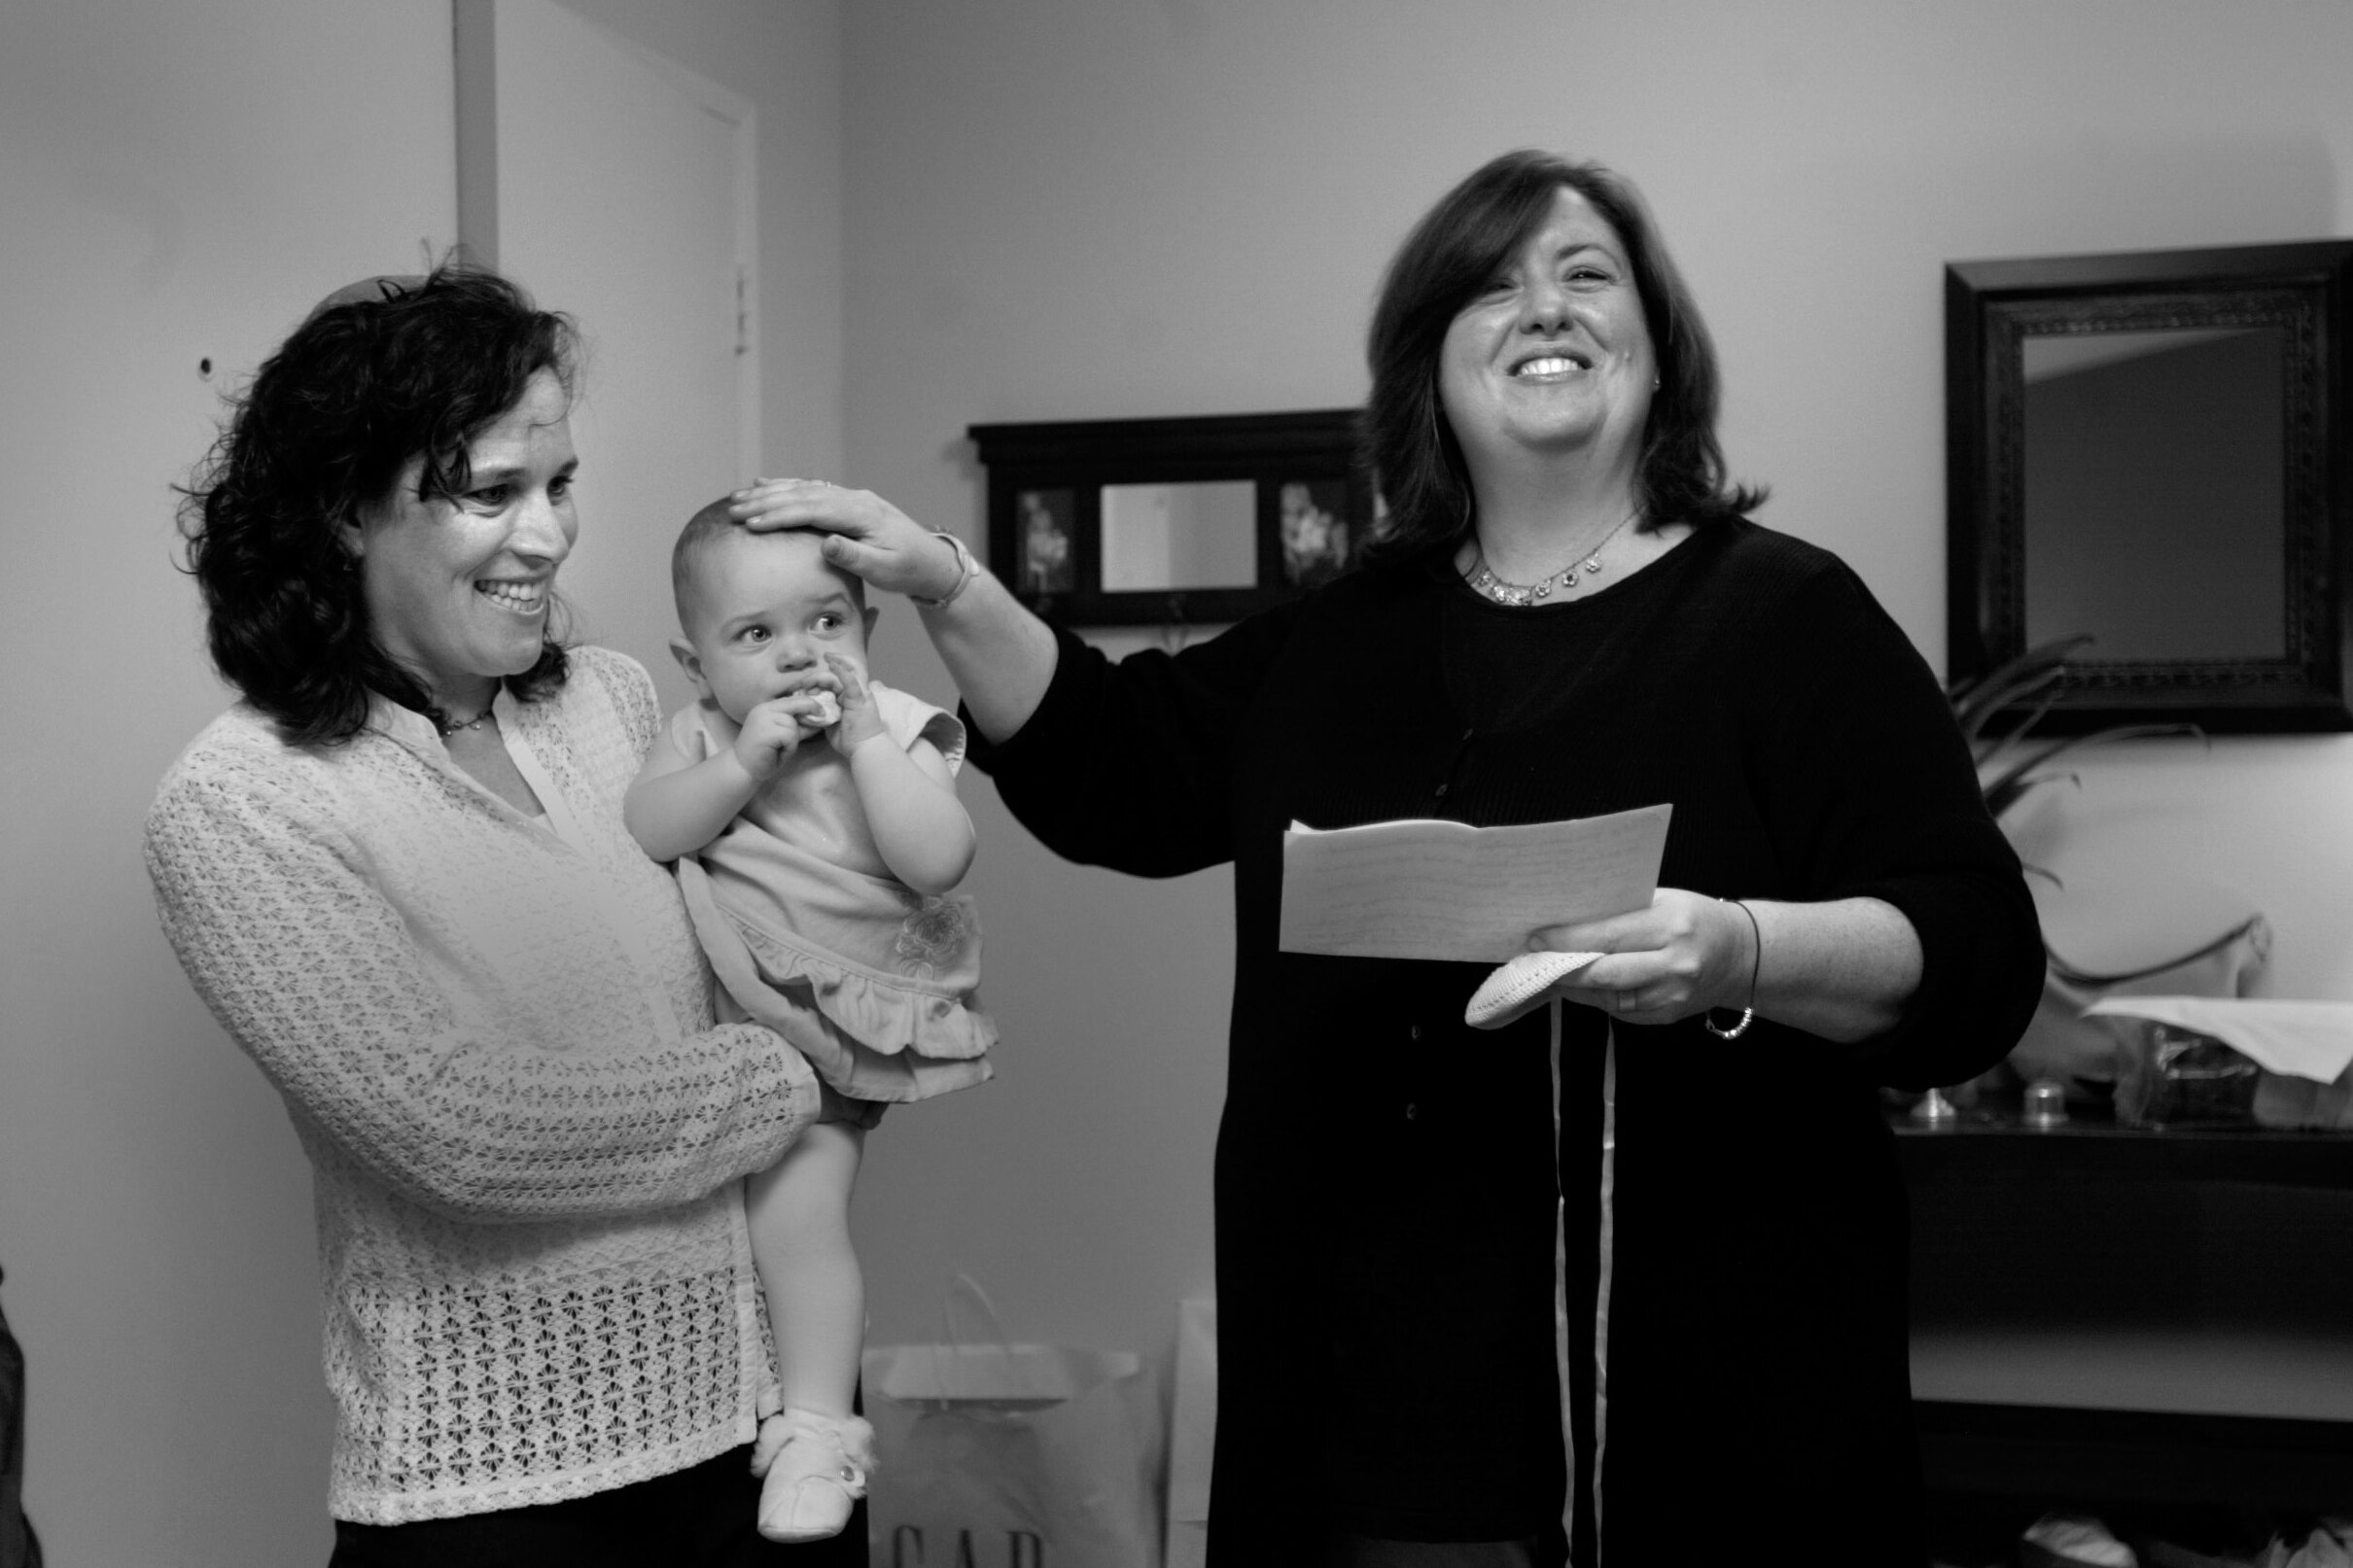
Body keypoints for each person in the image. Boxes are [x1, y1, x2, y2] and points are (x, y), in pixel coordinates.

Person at [730, 150, 2045, 1566]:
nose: (1542, 308)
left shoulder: (1787, 620)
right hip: (1374, 1414)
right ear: (1431, 369)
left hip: (1711, 1401)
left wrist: (1741, 948)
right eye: (1493, 287)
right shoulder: (1347, 636)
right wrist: (945, 581)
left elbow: (1977, 952)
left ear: (1661, 355)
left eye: (1586, 277)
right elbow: (1116, 765)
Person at [144, 267, 866, 1565]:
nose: (548, 536)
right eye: (491, 493)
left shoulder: (614, 704)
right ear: (344, 509)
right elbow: (458, 1128)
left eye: (559, 484)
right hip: (499, 1494)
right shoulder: (243, 801)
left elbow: (747, 942)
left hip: (763, 1436)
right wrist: (792, 1074)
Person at [624, 511, 993, 1541]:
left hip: (825, 1016)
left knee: (797, 1216)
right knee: (710, 1234)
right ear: (694, 661)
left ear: (868, 623)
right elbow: (649, 827)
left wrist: (867, 739)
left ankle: (819, 1429)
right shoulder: (702, 732)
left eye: (825, 619)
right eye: (754, 635)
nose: (798, 652)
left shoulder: (901, 725)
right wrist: (743, 764)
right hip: (706, 1010)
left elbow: (937, 856)